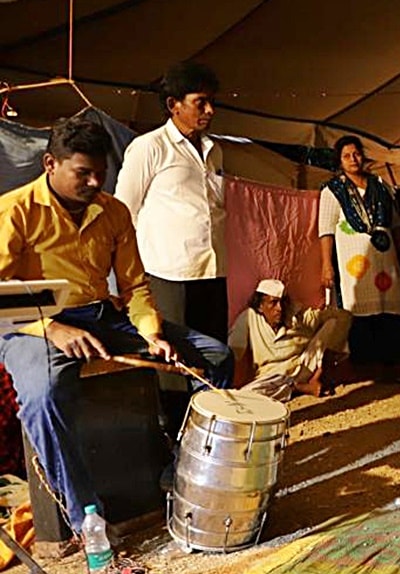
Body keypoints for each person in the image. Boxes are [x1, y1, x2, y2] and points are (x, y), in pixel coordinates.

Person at [0, 117, 233, 531]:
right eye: (82, 173)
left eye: (100, 174)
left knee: (215, 355)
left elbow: (134, 285)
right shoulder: (13, 210)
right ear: (50, 163)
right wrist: (50, 328)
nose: (93, 183)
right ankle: (84, 517)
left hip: (99, 315)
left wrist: (152, 334)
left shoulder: (114, 211)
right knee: (44, 395)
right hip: (28, 324)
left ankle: (185, 470)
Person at [115, 61, 228, 342]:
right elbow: (121, 213)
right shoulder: (149, 147)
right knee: (175, 359)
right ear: (173, 104)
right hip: (167, 273)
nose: (209, 111)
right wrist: (124, 278)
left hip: (213, 270)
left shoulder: (215, 151)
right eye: (200, 102)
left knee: (214, 353)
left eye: (211, 102)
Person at [318, 135, 400, 382]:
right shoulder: (332, 190)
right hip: (354, 264)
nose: (353, 159)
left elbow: (397, 224)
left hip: (386, 258)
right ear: (339, 160)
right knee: (358, 312)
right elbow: (325, 230)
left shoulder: (381, 186)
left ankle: (390, 366)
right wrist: (327, 265)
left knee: (389, 311)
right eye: (347, 156)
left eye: (356, 154)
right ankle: (366, 369)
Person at [228, 279, 352, 401]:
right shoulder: (249, 318)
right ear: (260, 306)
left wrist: (324, 365)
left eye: (282, 302)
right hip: (271, 377)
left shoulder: (298, 316)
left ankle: (309, 382)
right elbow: (234, 351)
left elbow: (343, 317)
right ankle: (299, 388)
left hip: (303, 368)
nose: (279, 308)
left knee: (333, 323)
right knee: (248, 394)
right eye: (273, 303)